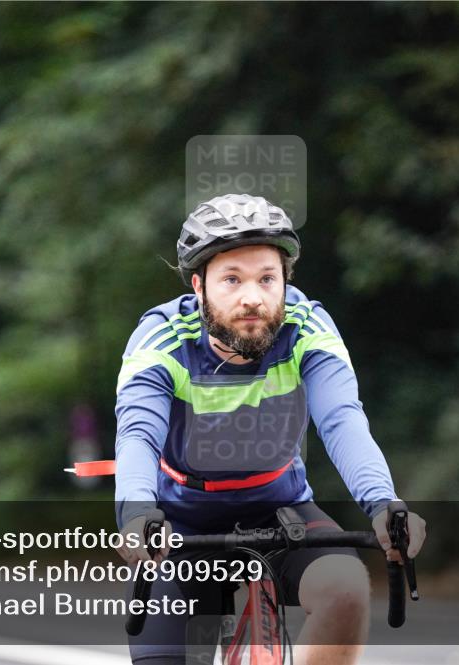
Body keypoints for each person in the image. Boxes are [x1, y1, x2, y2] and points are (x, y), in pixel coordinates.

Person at [114, 194, 426, 664]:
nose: (252, 297)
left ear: (284, 281)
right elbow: (137, 435)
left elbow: (342, 420)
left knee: (345, 589)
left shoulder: (308, 328)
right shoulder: (160, 339)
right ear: (198, 286)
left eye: (267, 278)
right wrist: (136, 515)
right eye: (232, 279)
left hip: (280, 508)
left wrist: (384, 505)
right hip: (181, 522)